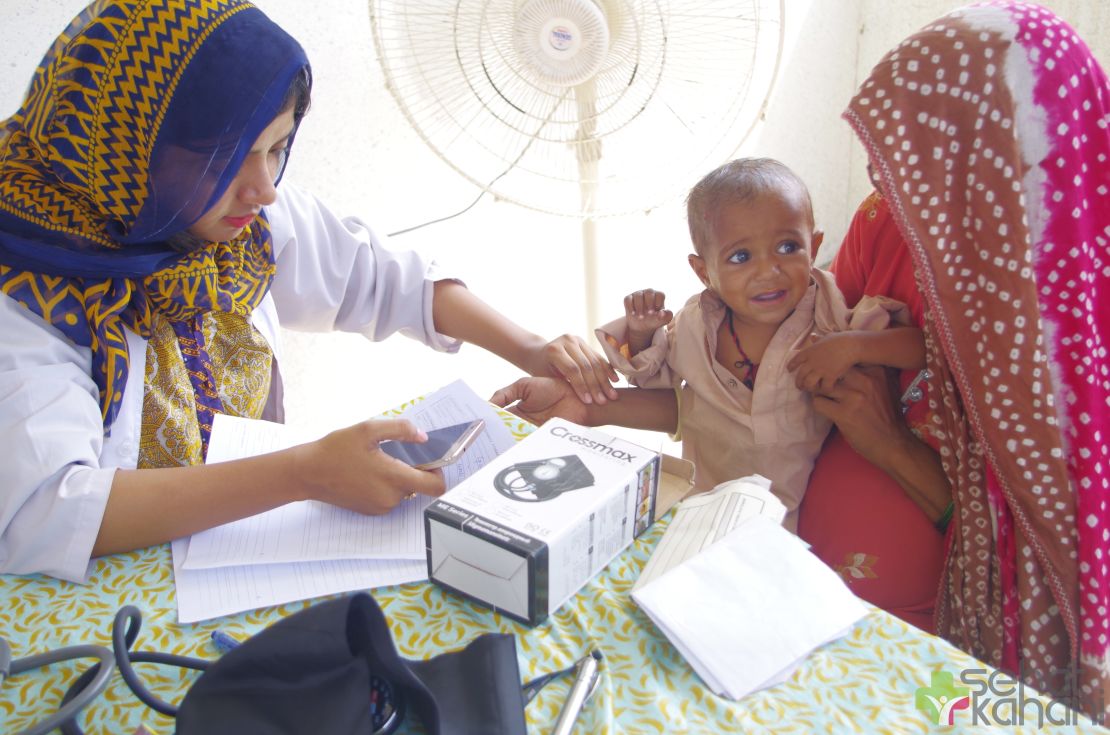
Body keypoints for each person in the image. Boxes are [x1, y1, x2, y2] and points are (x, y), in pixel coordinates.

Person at [0, 0, 617, 582]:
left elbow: (377, 278)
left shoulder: (228, 225)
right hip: (107, 606)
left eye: (277, 149)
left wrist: (532, 350)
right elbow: (46, 510)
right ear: (126, 144)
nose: (264, 187)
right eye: (228, 158)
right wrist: (304, 474)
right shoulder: (28, 288)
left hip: (240, 556)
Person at [802, 0, 1109, 718]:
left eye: (914, 148)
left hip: (939, 661)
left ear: (1000, 156)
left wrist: (892, 449)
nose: (880, 172)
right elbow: (802, 345)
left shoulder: (1074, 323)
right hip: (810, 601)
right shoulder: (886, 222)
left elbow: (1050, 566)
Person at [498, 157, 927, 531]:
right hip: (698, 498)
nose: (769, 271)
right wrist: (644, 332)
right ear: (704, 272)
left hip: (782, 517)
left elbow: (917, 348)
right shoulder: (696, 326)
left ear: (813, 247)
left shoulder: (827, 312)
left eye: (787, 246)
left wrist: (854, 346)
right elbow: (654, 379)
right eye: (741, 257)